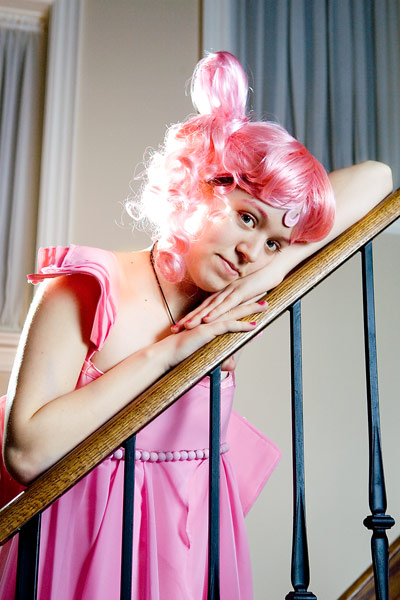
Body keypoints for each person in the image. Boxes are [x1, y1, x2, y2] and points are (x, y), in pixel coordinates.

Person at [0, 52, 392, 599]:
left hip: (188, 555)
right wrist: (167, 354)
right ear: (202, 186)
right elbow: (26, 454)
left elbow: (379, 178)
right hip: (84, 551)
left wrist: (274, 269)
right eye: (247, 217)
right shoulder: (87, 285)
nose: (251, 250)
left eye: (274, 241)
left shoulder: (231, 297)